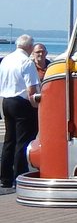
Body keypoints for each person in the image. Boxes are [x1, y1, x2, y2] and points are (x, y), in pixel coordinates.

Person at [0, 35, 41, 194]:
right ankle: (19, 175)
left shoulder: (6, 60)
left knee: (9, 140)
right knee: (22, 141)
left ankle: (5, 177)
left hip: (6, 101)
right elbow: (31, 90)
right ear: (30, 47)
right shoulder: (26, 62)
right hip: (21, 102)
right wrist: (36, 106)